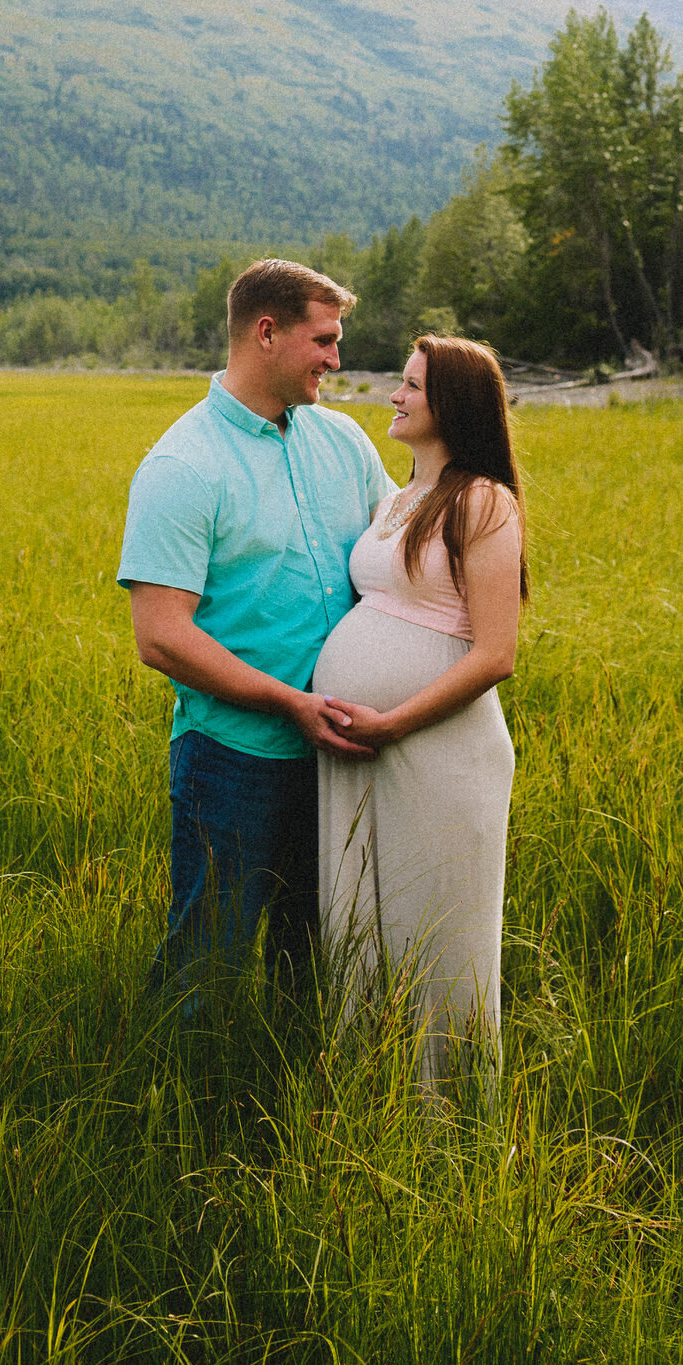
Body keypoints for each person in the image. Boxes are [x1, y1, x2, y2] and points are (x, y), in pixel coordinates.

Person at [119, 258, 395, 1001]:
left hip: (337, 751)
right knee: (208, 959)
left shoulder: (343, 442)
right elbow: (161, 637)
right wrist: (289, 703)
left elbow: (405, 551)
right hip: (233, 760)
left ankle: (288, 1095)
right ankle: (174, 1101)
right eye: (326, 340)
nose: (338, 359)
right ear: (267, 333)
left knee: (314, 956)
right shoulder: (183, 465)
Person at [314, 334, 525, 1079]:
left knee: (434, 927)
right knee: (363, 919)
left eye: (411, 387)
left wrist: (391, 722)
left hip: (435, 749)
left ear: (453, 405)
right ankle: (376, 1089)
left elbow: (495, 653)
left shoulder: (483, 502)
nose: (394, 397)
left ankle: (448, 1116)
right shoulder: (396, 499)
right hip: (362, 745)